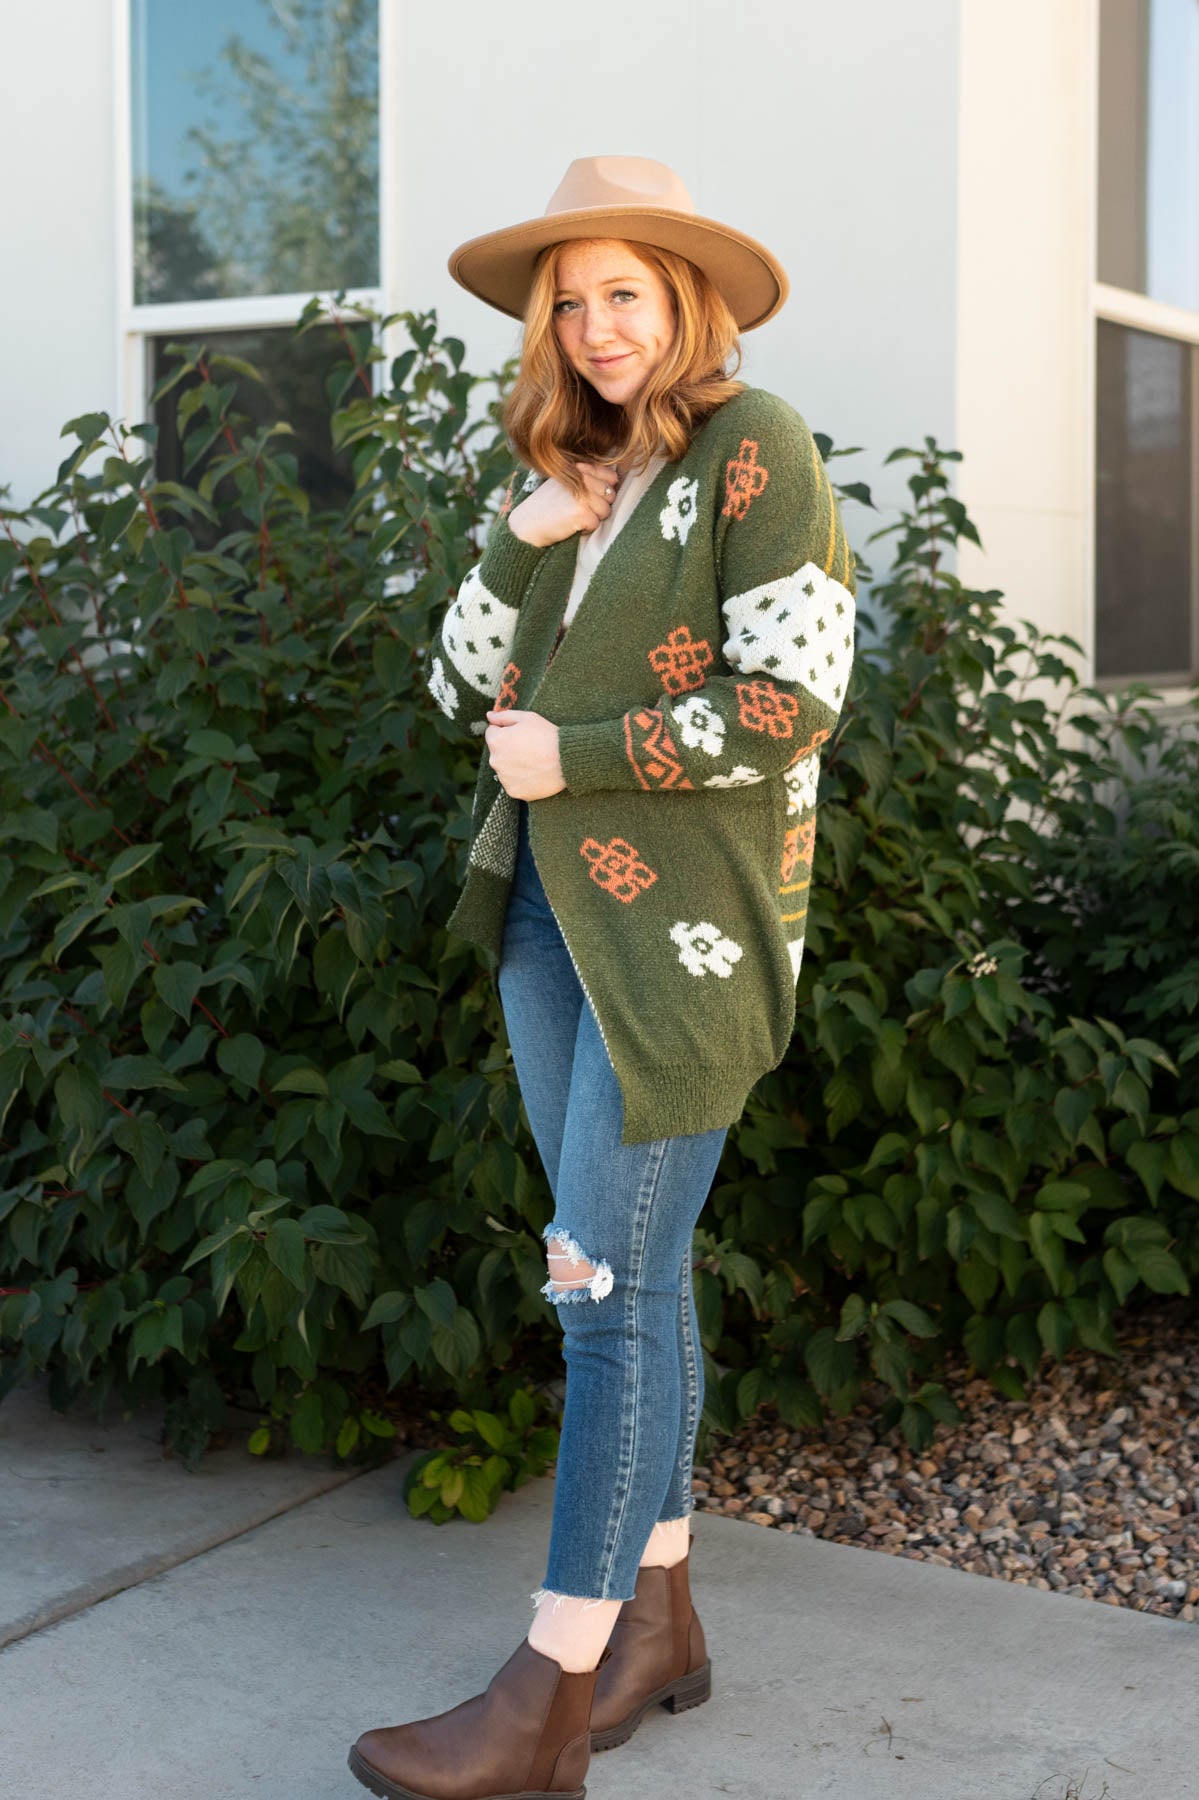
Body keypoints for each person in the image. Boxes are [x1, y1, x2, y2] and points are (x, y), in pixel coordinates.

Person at [348, 154, 857, 1800]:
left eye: (621, 292)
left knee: (607, 1302)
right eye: (570, 302)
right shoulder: (580, 481)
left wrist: (577, 752)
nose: (593, 325)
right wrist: (519, 535)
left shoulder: (753, 448)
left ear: (685, 300)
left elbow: (795, 702)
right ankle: (662, 1626)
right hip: (547, 921)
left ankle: (548, 1695)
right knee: (632, 1267)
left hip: (689, 938)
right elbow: (450, 681)